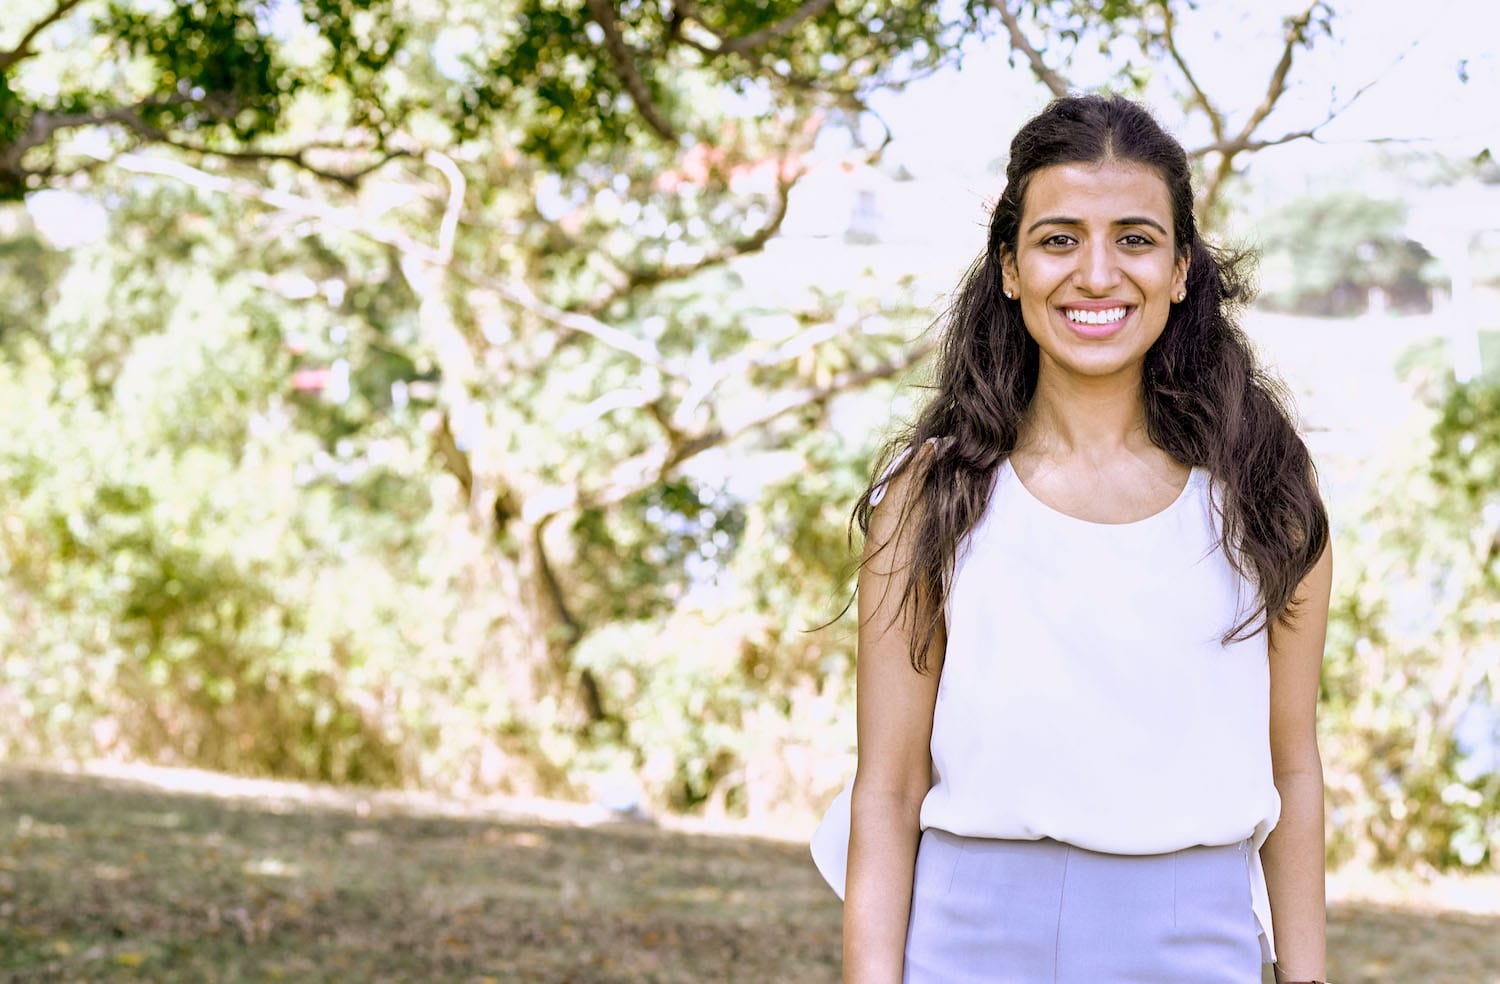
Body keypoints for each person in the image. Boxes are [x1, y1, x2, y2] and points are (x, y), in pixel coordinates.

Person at [810, 95, 1334, 984]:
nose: (1097, 274)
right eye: (1059, 239)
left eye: (1134, 238)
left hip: (1195, 947)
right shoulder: (934, 495)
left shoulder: (1266, 497)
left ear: (1181, 269)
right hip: (961, 946)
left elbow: (1294, 769)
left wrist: (1306, 976)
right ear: (1010, 268)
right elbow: (889, 789)